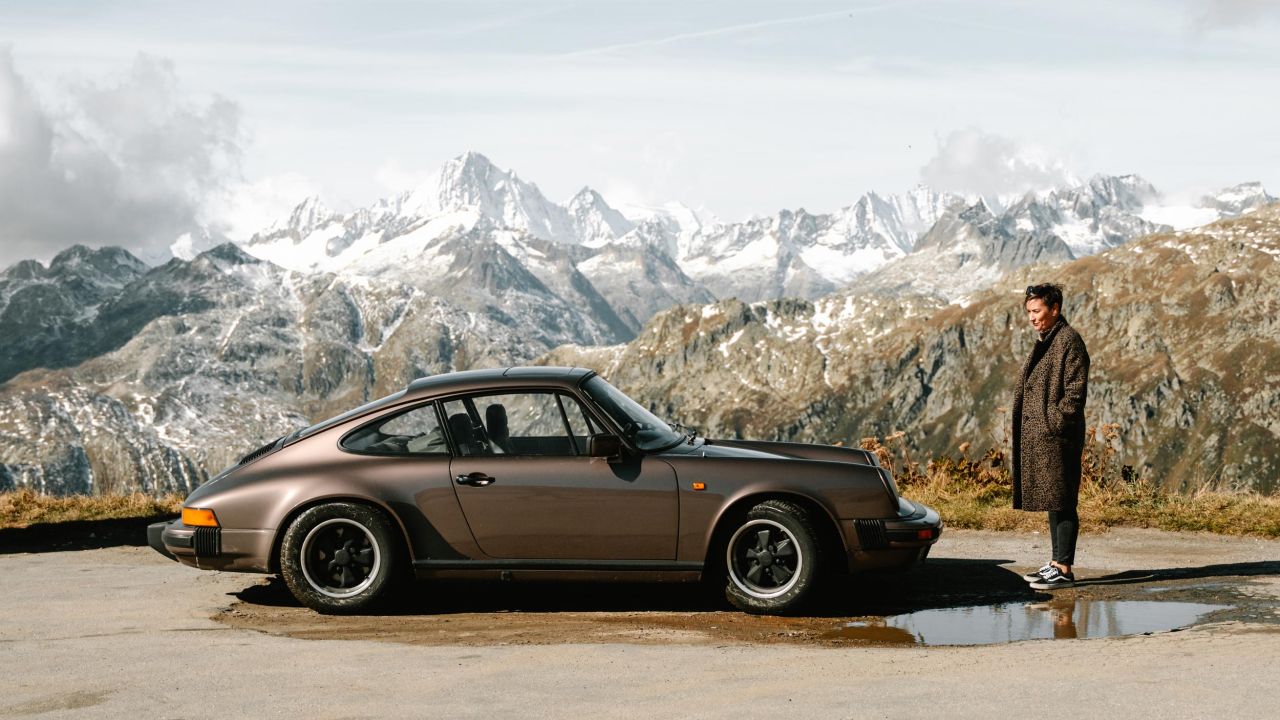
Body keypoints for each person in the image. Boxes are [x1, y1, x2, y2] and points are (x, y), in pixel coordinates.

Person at [1012, 283, 1090, 590]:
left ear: (1054, 309)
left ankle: (1064, 568)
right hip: (1045, 437)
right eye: (1028, 312)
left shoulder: (1069, 341)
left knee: (1062, 499)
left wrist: (1052, 422)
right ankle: (1056, 563)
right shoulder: (1048, 340)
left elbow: (1074, 394)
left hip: (1058, 437)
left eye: (1037, 311)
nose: (1031, 318)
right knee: (1052, 499)